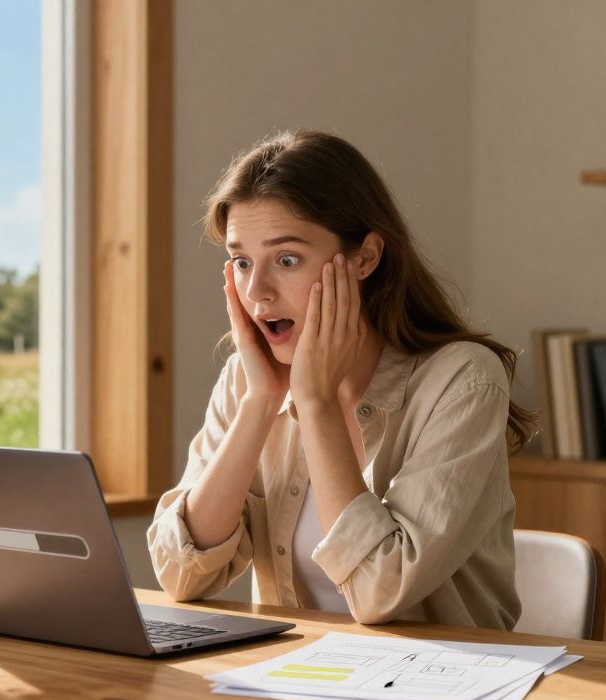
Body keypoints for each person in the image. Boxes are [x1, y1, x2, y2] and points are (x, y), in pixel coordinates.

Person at [147, 130, 534, 629]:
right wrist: (261, 401)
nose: (257, 291)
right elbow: (181, 576)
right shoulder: (248, 383)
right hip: (299, 685)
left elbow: (379, 592)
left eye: (286, 260)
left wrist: (316, 403)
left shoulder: (462, 381)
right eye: (242, 262)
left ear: (365, 259)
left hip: (437, 688)